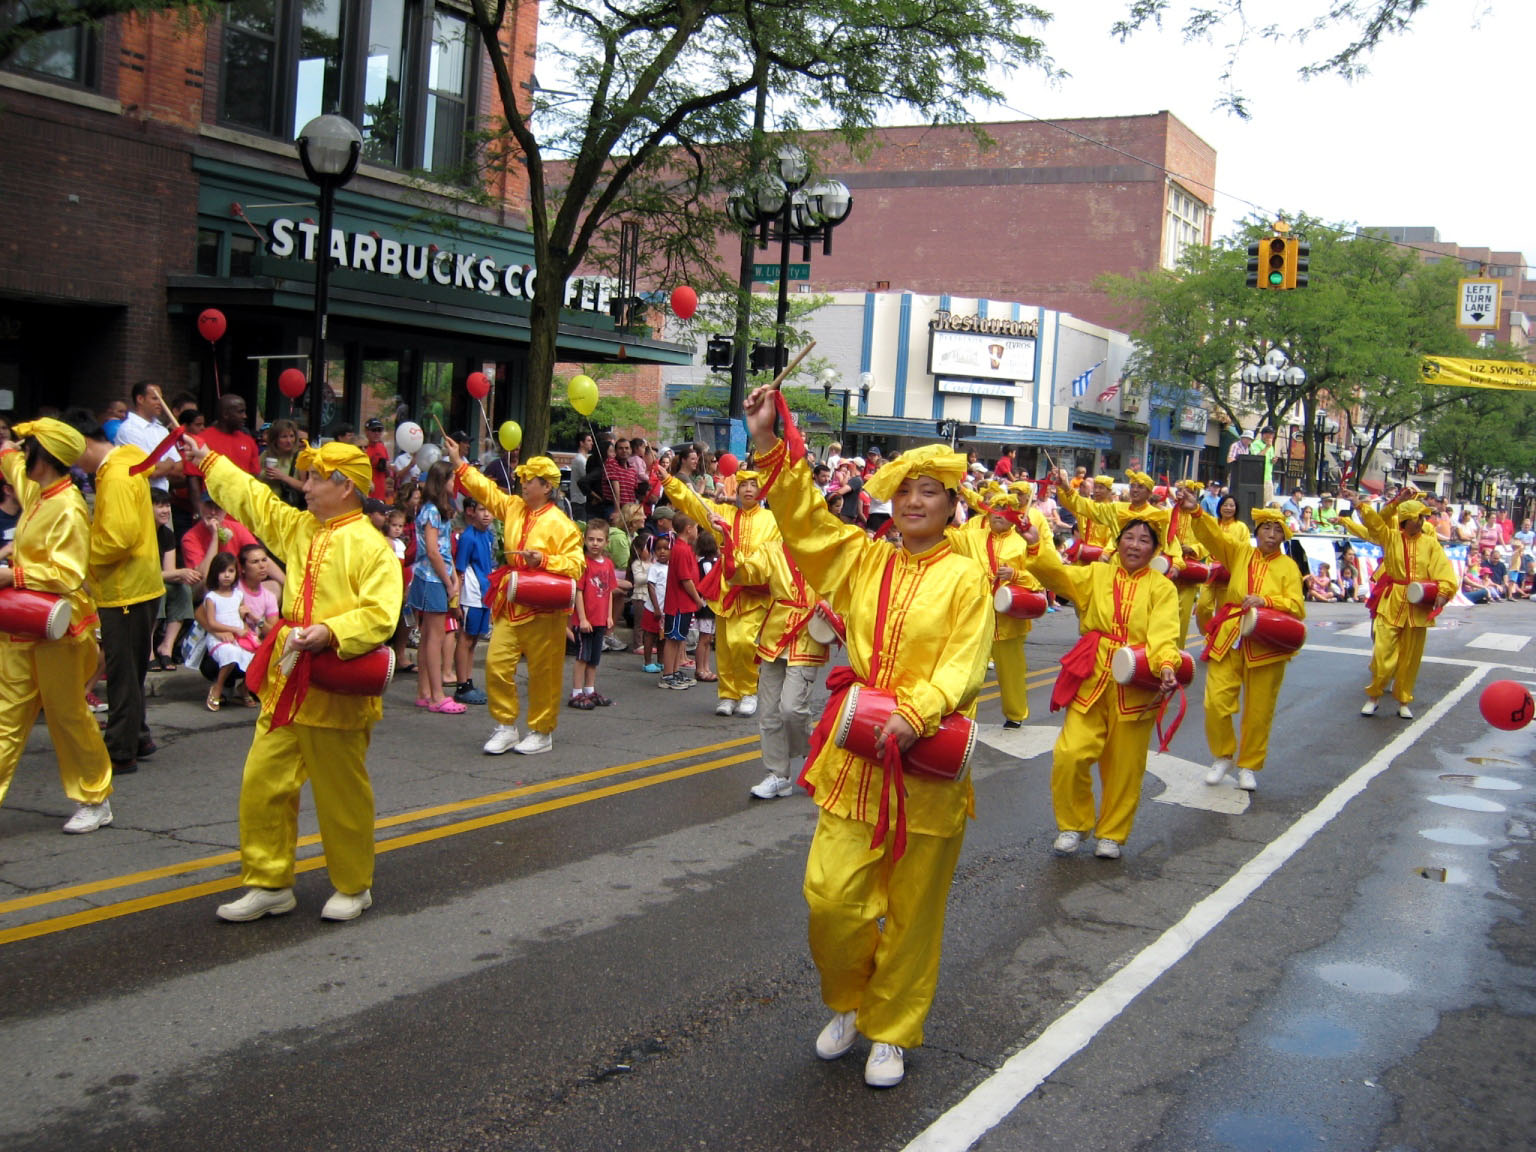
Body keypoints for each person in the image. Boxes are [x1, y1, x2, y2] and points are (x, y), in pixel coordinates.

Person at [744, 385, 991, 1090]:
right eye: (906, 491)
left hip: (925, 762)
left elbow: (963, 664)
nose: (915, 502)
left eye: (930, 493)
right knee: (831, 899)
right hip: (858, 757)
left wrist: (917, 712)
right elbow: (803, 522)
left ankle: (890, 1030)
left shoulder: (967, 578)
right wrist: (768, 441)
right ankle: (850, 1002)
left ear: (951, 505)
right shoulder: (862, 560)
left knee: (913, 913)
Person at [180, 434, 402, 922]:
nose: (305, 486)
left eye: (316, 478)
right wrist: (209, 461)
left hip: (334, 683)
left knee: (339, 791)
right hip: (287, 676)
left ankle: (352, 884)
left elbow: (382, 615)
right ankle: (269, 881)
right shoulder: (301, 528)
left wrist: (331, 630)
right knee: (263, 781)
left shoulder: (372, 547)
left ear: (346, 487)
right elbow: (254, 500)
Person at [1022, 514, 1181, 860]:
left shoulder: (1162, 587)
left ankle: (1112, 833)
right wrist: (1036, 543)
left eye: (1144, 540)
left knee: (1125, 765)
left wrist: (1166, 666)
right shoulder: (1097, 574)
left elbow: (1164, 635)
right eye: (1129, 537)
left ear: (1154, 548)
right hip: (1092, 675)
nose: (1135, 545)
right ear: (1118, 541)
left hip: (1136, 680)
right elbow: (1058, 575)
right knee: (1069, 753)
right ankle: (1073, 823)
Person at [0, 418, 116, 832]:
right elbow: (9, 459)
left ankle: (95, 797)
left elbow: (67, 574)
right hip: (20, 625)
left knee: (68, 717)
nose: (21, 451)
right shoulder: (35, 489)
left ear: (44, 456)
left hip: (59, 630)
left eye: (27, 445)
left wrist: (12, 575)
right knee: (5, 716)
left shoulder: (68, 507)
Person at [448, 440, 584, 756]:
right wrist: (460, 463)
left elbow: (577, 565)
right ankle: (505, 726)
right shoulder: (512, 507)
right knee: (496, 663)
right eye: (521, 479)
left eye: (529, 480)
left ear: (546, 486)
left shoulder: (563, 525)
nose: (522, 484)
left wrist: (545, 561)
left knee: (544, 672)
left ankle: (541, 730)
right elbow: (486, 492)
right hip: (511, 599)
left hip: (545, 606)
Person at [1180, 490, 1305, 792]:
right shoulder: (1240, 553)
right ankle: (1222, 755)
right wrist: (1197, 512)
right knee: (1215, 701)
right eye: (1266, 528)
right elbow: (1214, 539)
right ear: (1257, 531)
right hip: (1230, 635)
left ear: (1283, 534)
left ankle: (1249, 764)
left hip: (1268, 641)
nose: (1271, 534)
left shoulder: (1289, 566)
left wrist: (1267, 600)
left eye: (1277, 529)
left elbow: (1298, 606)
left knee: (1259, 710)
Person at [67, 411, 165, 773]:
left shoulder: (116, 475)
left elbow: (118, 539)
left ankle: (121, 749)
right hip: (137, 585)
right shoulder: (124, 464)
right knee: (131, 668)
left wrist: (84, 553)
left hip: (125, 588)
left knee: (123, 671)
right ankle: (137, 735)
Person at [713, 511, 830, 800]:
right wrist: (727, 541)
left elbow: (845, 588)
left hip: (807, 635)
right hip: (775, 635)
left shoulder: (826, 550)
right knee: (768, 712)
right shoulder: (771, 549)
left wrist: (830, 607)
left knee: (791, 709)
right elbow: (744, 572)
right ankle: (777, 775)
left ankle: (813, 754)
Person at [664, 469, 778, 716]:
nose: (748, 489)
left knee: (743, 641)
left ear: (762, 491)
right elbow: (694, 503)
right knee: (725, 646)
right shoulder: (725, 513)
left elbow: (773, 553)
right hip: (727, 589)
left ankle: (748, 691)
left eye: (753, 485)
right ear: (735, 491)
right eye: (743, 485)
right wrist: (669, 481)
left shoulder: (771, 519)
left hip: (753, 589)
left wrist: (748, 567)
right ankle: (728, 694)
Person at [955, 484, 1052, 729]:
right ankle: (962, 715)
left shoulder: (1022, 543)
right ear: (987, 513)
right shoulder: (971, 536)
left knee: (1011, 672)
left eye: (1005, 510)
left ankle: (1015, 714)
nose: (999, 514)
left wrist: (1016, 575)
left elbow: (1040, 578)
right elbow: (946, 537)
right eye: (995, 509)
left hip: (1010, 618)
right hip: (976, 616)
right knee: (967, 671)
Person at [1359, 489, 1456, 720]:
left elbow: (1444, 571)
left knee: (1410, 658)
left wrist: (1443, 591)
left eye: (1424, 517)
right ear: (1405, 520)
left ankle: (1403, 700)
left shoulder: (1431, 544)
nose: (1422, 521)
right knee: (1382, 654)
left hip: (1418, 603)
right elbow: (1374, 523)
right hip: (1392, 602)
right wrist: (1389, 504)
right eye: (1418, 517)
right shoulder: (1390, 537)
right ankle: (1373, 696)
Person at [407, 460, 464, 714]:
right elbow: (432, 550)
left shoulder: (435, 510)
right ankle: (437, 695)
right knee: (434, 636)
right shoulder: (432, 511)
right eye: (452, 480)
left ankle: (424, 691)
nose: (455, 484)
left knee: (429, 636)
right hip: (431, 577)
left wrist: (452, 577)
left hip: (432, 575)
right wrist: (448, 581)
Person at [570, 519, 626, 708]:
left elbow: (609, 591)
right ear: (585, 540)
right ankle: (576, 692)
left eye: (599, 540)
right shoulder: (583, 563)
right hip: (585, 620)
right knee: (582, 657)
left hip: (600, 619)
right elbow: (578, 591)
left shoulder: (608, 564)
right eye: (591, 539)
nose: (595, 543)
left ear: (606, 542)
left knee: (594, 658)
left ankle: (589, 689)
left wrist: (609, 616)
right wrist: (583, 618)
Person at [198, 551, 260, 710]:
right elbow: (211, 623)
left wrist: (246, 627)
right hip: (219, 638)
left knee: (257, 654)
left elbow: (242, 619)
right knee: (230, 654)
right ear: (215, 573)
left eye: (231, 571)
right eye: (222, 571)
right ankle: (218, 688)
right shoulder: (212, 597)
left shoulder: (238, 595)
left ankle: (244, 687)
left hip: (238, 636)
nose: (226, 575)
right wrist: (234, 630)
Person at [452, 498, 495, 705]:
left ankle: (469, 681)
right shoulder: (468, 537)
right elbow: (460, 569)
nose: (486, 514)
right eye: (482, 510)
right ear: (472, 512)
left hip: (485, 593)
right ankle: (461, 685)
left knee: (475, 639)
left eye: (490, 510)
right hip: (471, 594)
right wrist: (457, 600)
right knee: (465, 639)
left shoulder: (488, 534)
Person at [152, 489, 199, 670]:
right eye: (159, 506)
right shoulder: (141, 534)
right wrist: (181, 573)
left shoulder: (167, 534)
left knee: (182, 590)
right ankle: (148, 648)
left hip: (160, 579)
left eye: (167, 505)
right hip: (139, 585)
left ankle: (166, 647)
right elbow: (145, 574)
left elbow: (168, 571)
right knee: (159, 590)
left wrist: (181, 574)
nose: (165, 510)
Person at [658, 513, 704, 689]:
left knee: (678, 638)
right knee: (673, 638)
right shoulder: (681, 549)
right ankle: (668, 674)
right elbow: (686, 579)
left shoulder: (683, 548)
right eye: (696, 528)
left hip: (682, 604)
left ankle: (674, 670)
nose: (697, 532)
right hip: (678, 603)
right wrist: (697, 598)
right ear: (689, 529)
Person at [1195, 493, 1249, 634]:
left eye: (1232, 505)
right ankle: (1208, 633)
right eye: (1225, 505)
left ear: (1236, 509)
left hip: (1229, 574)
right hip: (1211, 572)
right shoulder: (1213, 523)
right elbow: (1204, 542)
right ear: (1220, 507)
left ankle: (1217, 639)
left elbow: (1244, 549)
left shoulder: (1241, 527)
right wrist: (1194, 549)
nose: (1228, 508)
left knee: (1224, 610)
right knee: (1202, 606)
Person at [115, 382, 181, 494]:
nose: (161, 403)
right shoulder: (129, 429)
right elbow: (149, 470)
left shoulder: (162, 430)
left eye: (161, 398)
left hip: (162, 499)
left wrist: (162, 466)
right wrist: (169, 463)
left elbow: (179, 468)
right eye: (155, 398)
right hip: (139, 496)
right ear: (140, 399)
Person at [260, 418, 307, 508]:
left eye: (291, 436)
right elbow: (254, 478)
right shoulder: (265, 454)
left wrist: (282, 477)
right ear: (275, 439)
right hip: (265, 505)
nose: (289, 441)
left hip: (286, 508)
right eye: (284, 437)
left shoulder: (300, 456)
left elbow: (304, 487)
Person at [362, 417, 392, 501]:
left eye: (379, 430)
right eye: (374, 430)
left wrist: (386, 468)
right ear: (366, 431)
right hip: (367, 493)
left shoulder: (382, 447)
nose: (377, 433)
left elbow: (387, 474)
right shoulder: (363, 448)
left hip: (380, 493)